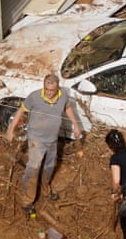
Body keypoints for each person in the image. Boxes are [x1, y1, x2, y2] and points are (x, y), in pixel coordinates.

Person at [6, 73, 84, 213]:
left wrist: (76, 125)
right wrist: (11, 129)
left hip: (52, 139)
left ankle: (45, 189)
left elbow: (67, 108)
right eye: (46, 89)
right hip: (36, 139)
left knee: (49, 166)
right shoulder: (35, 97)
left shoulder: (63, 96)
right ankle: (27, 200)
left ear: (57, 88)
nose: (48, 93)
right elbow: (20, 111)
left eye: (52, 90)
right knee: (33, 169)